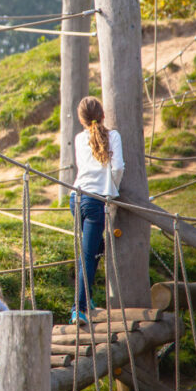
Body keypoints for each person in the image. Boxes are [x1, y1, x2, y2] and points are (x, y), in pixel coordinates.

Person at [69, 96, 124, 325]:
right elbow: (118, 167)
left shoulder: (79, 138)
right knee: (88, 255)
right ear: (103, 115)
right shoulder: (113, 136)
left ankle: (86, 297)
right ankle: (78, 309)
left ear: (82, 120)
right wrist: (112, 191)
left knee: (94, 247)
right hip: (94, 202)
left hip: (75, 198)